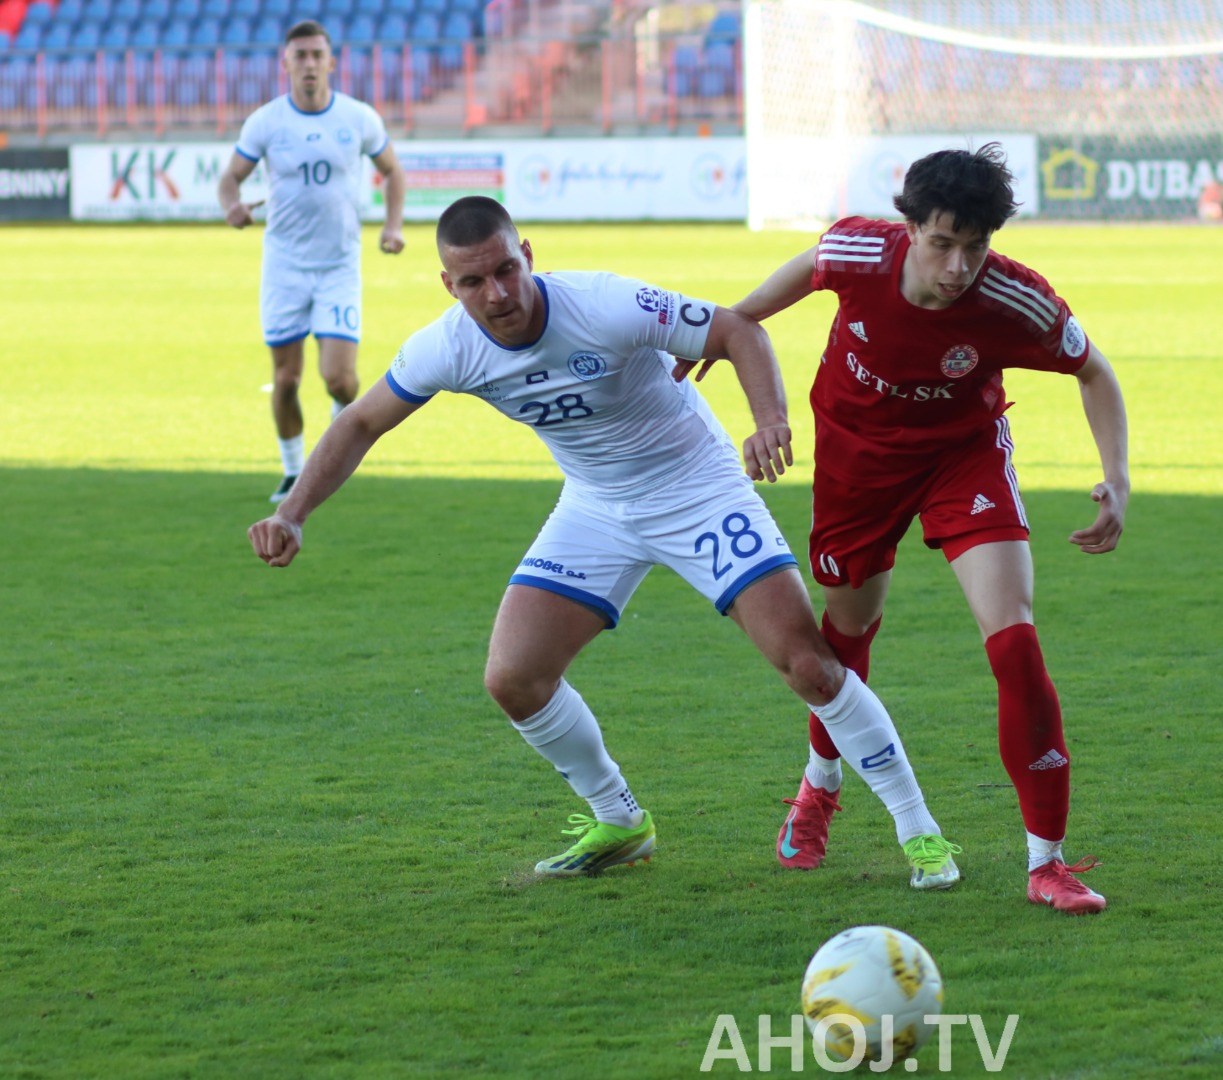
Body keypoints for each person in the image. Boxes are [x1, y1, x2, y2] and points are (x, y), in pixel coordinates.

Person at [247, 196, 962, 888]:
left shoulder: (604, 304)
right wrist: (294, 513)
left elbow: (738, 331)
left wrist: (768, 418)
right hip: (595, 506)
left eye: (506, 269)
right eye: (473, 281)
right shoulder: (447, 347)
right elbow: (359, 422)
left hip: (696, 487)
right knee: (514, 678)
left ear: (527, 255)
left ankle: (919, 830)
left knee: (807, 665)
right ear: (449, 285)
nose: (496, 293)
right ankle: (619, 821)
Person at [684, 145, 1129, 915]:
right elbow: (753, 309)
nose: (958, 267)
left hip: (962, 459)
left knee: (1015, 642)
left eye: (975, 247)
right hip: (856, 465)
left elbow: (1095, 371)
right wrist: (724, 346)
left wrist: (1115, 479)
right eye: (942, 243)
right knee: (845, 638)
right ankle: (820, 785)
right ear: (910, 227)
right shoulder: (855, 251)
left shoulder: (1014, 300)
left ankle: (1047, 864)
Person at [217, 19, 407, 504]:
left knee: (341, 379)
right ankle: (291, 470)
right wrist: (232, 207)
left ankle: (336, 444)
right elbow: (230, 178)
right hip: (284, 268)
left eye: (316, 55)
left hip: (338, 267)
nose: (308, 64)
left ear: (331, 62)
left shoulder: (357, 117)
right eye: (299, 55)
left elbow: (392, 171)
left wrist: (393, 226)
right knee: (286, 379)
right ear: (285, 63)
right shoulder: (266, 122)